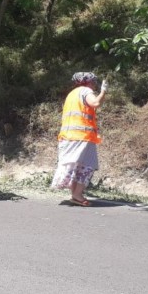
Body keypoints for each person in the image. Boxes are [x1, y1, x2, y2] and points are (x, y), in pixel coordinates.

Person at [51, 72, 107, 206]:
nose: (94, 85)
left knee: (75, 165)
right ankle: (77, 194)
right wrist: (103, 91)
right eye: (93, 82)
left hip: (68, 136)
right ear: (87, 82)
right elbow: (95, 103)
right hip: (82, 136)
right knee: (88, 165)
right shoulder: (86, 91)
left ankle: (75, 194)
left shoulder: (71, 94)